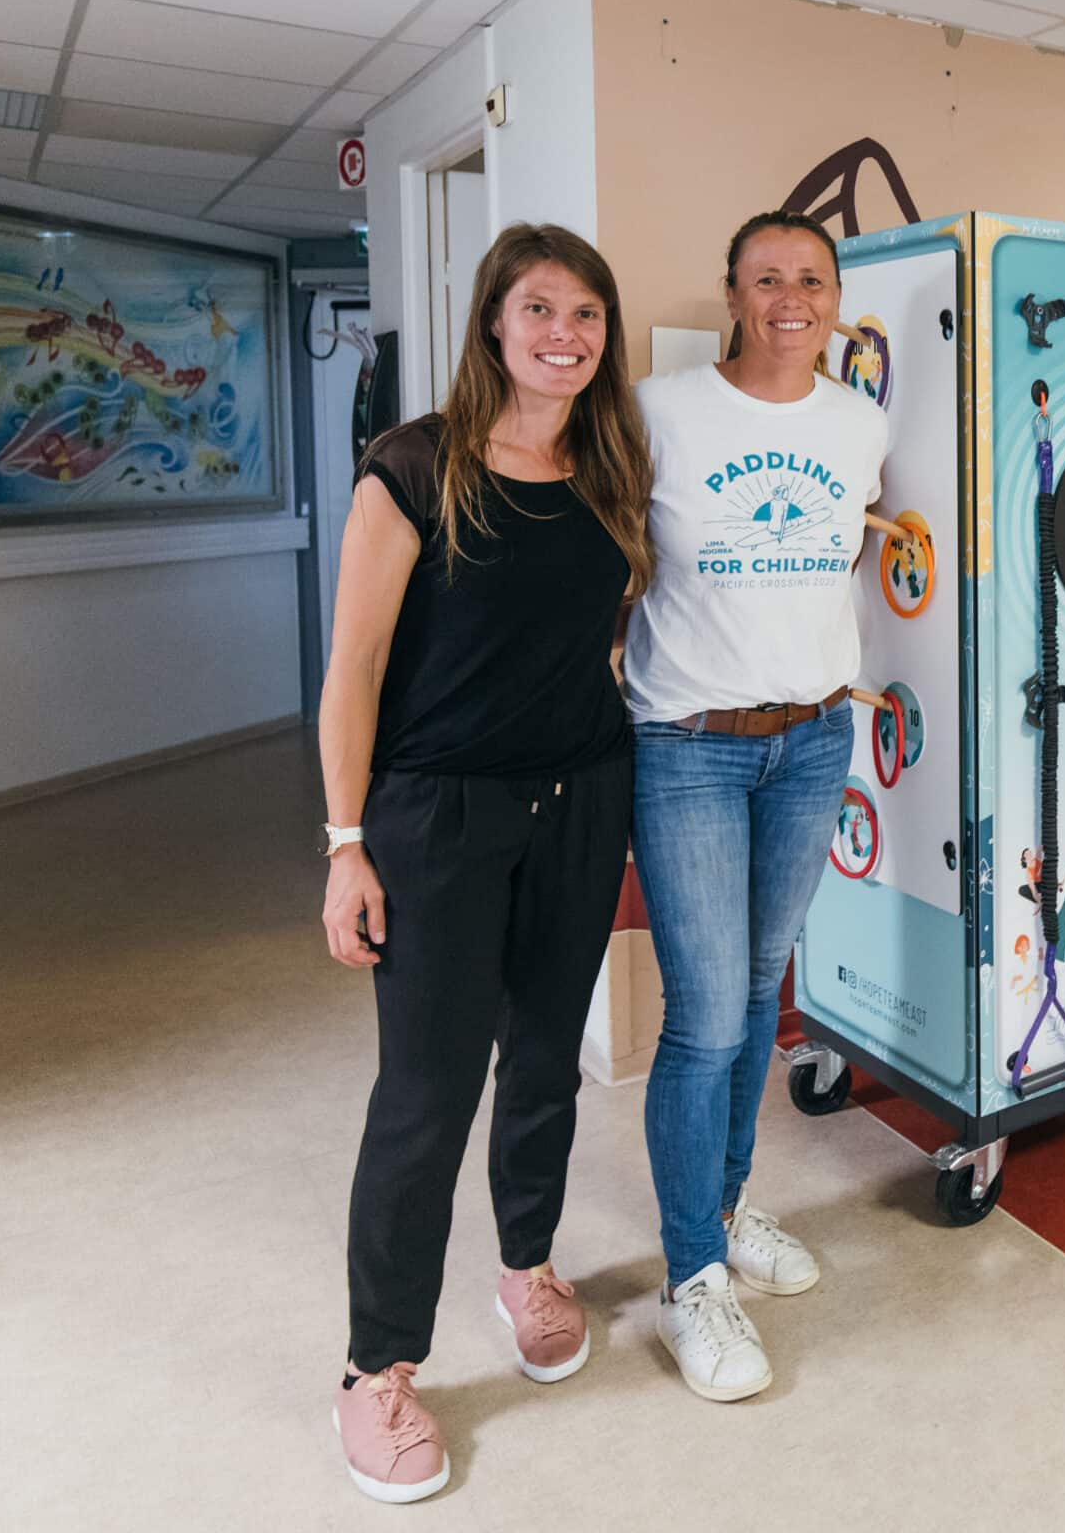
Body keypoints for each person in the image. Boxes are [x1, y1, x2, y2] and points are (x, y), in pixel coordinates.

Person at [319, 224, 652, 1503]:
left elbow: (598, 629)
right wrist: (347, 846)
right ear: (494, 324)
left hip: (580, 799)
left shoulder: (607, 469)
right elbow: (351, 668)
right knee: (425, 1093)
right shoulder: (415, 465)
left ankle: (527, 1266)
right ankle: (376, 1366)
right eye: (539, 310)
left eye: (586, 315)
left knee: (546, 1063)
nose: (564, 335)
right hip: (437, 818)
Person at [622, 209, 891, 1403]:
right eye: (768, 278)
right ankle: (691, 1279)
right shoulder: (659, 410)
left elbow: (842, 561)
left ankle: (727, 1210)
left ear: (836, 298)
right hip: (686, 746)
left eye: (812, 279)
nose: (792, 296)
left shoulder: (857, 423)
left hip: (812, 737)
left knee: (755, 991)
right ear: (732, 294)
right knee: (703, 1020)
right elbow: (609, 556)